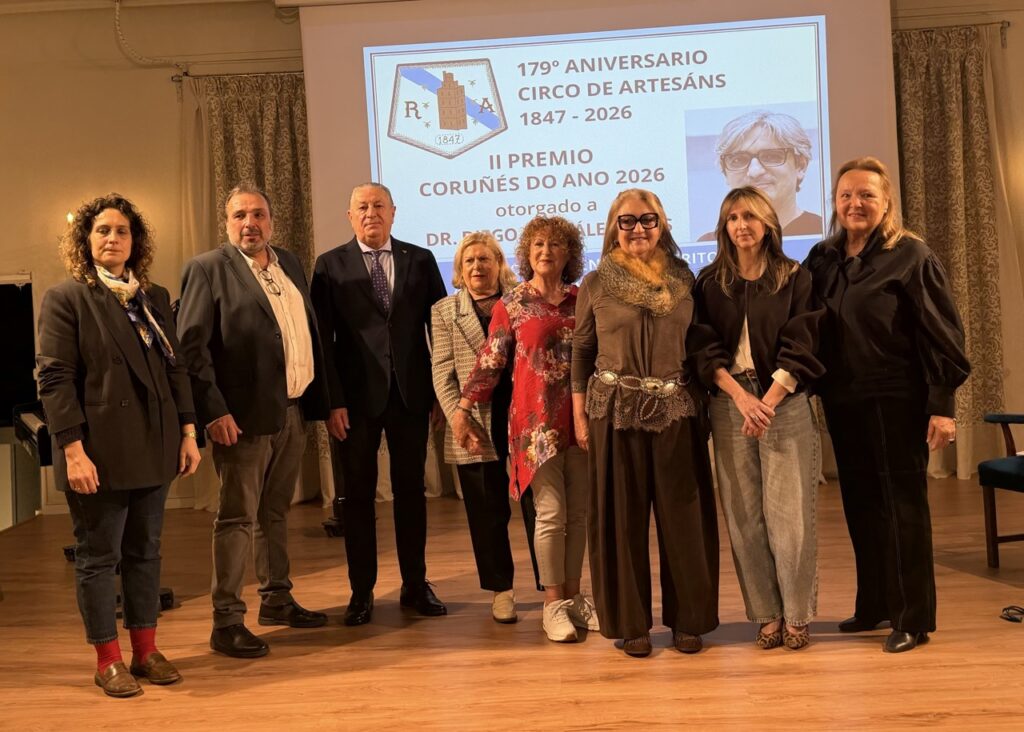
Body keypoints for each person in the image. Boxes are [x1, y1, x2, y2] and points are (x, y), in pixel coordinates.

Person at [804, 157, 970, 653]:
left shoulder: (911, 255)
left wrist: (941, 406)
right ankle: (874, 603)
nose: (856, 204)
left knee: (904, 510)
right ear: (835, 203)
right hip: (844, 401)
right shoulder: (823, 257)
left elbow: (944, 335)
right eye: (846, 195)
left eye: (867, 195)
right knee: (861, 506)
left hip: (898, 400)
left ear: (886, 202)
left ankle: (913, 617)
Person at [37, 194, 201, 697]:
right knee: (98, 557)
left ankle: (145, 650)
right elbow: (55, 378)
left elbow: (177, 368)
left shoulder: (152, 297)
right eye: (103, 230)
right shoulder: (67, 298)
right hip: (99, 453)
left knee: (146, 554)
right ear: (86, 242)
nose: (113, 239)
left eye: (123, 231)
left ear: (136, 241)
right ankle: (108, 658)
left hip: (157, 444)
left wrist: (189, 431)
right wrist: (72, 450)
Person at [177, 183, 330, 658]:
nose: (250, 223)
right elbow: (192, 350)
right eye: (240, 215)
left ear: (272, 221)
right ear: (227, 223)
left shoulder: (288, 263)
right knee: (237, 518)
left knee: (275, 512)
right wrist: (214, 410)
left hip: (290, 411)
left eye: (259, 214)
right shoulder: (207, 269)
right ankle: (225, 621)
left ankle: (277, 599)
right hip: (239, 420)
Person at [572, 188, 719, 658]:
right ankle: (630, 622)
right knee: (620, 520)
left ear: (664, 225)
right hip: (613, 413)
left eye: (648, 220)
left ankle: (688, 621)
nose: (638, 229)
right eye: (628, 221)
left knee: (684, 519)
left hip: (677, 411)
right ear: (614, 227)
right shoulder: (595, 283)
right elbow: (581, 351)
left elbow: (698, 343)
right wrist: (578, 414)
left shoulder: (684, 278)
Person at [689, 186, 825, 651]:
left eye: (750, 216)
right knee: (744, 516)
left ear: (768, 223)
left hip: (783, 402)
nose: (741, 225)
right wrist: (741, 398)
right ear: (724, 227)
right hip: (730, 403)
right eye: (732, 217)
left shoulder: (795, 277)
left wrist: (765, 400)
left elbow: (803, 342)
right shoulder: (709, 282)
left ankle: (797, 615)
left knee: (790, 517)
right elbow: (703, 348)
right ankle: (766, 614)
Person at [453, 216, 598, 643]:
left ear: (569, 253)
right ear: (526, 253)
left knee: (580, 515)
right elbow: (490, 362)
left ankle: (573, 598)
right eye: (537, 245)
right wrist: (463, 408)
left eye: (555, 245)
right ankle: (552, 603)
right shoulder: (512, 303)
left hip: (582, 420)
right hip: (534, 425)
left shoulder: (582, 300)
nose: (546, 251)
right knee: (551, 514)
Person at [311, 182, 448, 626]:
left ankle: (415, 583)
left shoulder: (420, 260)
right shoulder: (330, 266)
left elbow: (439, 330)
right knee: (358, 498)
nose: (371, 213)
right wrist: (331, 402)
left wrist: (440, 393)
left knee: (412, 492)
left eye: (378, 206)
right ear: (350, 217)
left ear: (394, 213)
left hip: (410, 396)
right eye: (362, 207)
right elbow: (323, 344)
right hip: (353, 402)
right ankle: (361, 591)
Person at [430, 231, 542, 623]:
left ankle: (552, 590)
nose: (477, 267)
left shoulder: (521, 302)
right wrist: (457, 417)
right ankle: (501, 590)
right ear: (460, 270)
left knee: (538, 507)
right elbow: (442, 373)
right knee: (486, 511)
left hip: (525, 418)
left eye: (485, 259)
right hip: (473, 422)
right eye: (469, 261)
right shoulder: (444, 311)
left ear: (500, 264)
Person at [697, 110, 823, 241]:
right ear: (725, 173)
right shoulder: (710, 243)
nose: (755, 172)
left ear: (800, 166)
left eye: (771, 156)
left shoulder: (825, 232)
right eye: (738, 160)